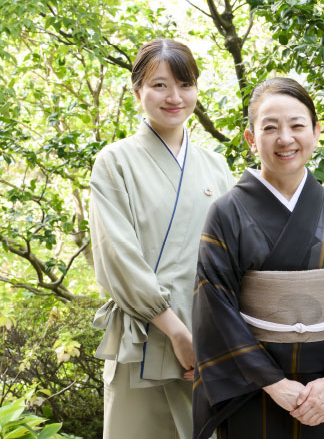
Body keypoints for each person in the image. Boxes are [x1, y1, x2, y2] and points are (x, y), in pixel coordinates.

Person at [192, 78, 324, 439]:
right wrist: (274, 384)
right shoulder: (226, 212)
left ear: (315, 132)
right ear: (251, 139)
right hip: (252, 386)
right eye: (270, 128)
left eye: (297, 126)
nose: (285, 139)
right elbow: (215, 309)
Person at [89, 39, 235, 439]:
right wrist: (176, 331)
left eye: (185, 84)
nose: (175, 97)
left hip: (208, 341)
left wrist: (217, 336)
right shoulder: (114, 162)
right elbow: (117, 258)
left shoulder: (215, 165)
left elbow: (235, 259)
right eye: (160, 85)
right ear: (137, 92)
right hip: (144, 340)